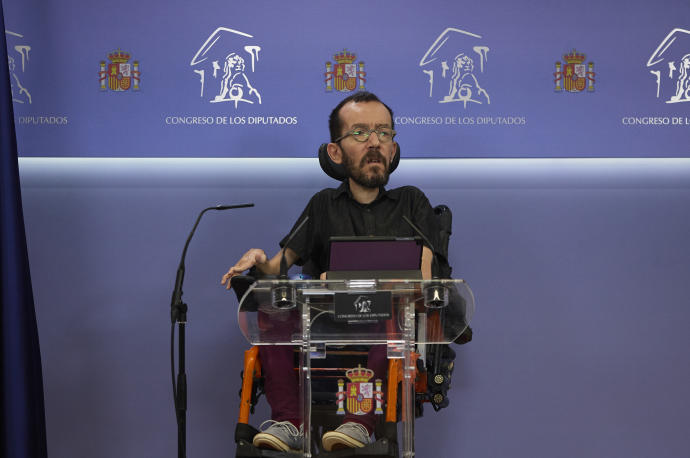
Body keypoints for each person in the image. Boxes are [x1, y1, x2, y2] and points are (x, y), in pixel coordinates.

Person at [221, 91, 439, 452]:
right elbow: (279, 267)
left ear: (394, 150)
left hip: (383, 322)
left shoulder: (411, 202)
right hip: (324, 325)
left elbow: (424, 277)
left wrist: (348, 281)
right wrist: (260, 259)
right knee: (272, 311)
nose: (375, 142)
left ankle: (361, 424)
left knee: (393, 320)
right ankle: (290, 423)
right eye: (360, 133)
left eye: (384, 133)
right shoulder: (323, 204)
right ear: (335, 151)